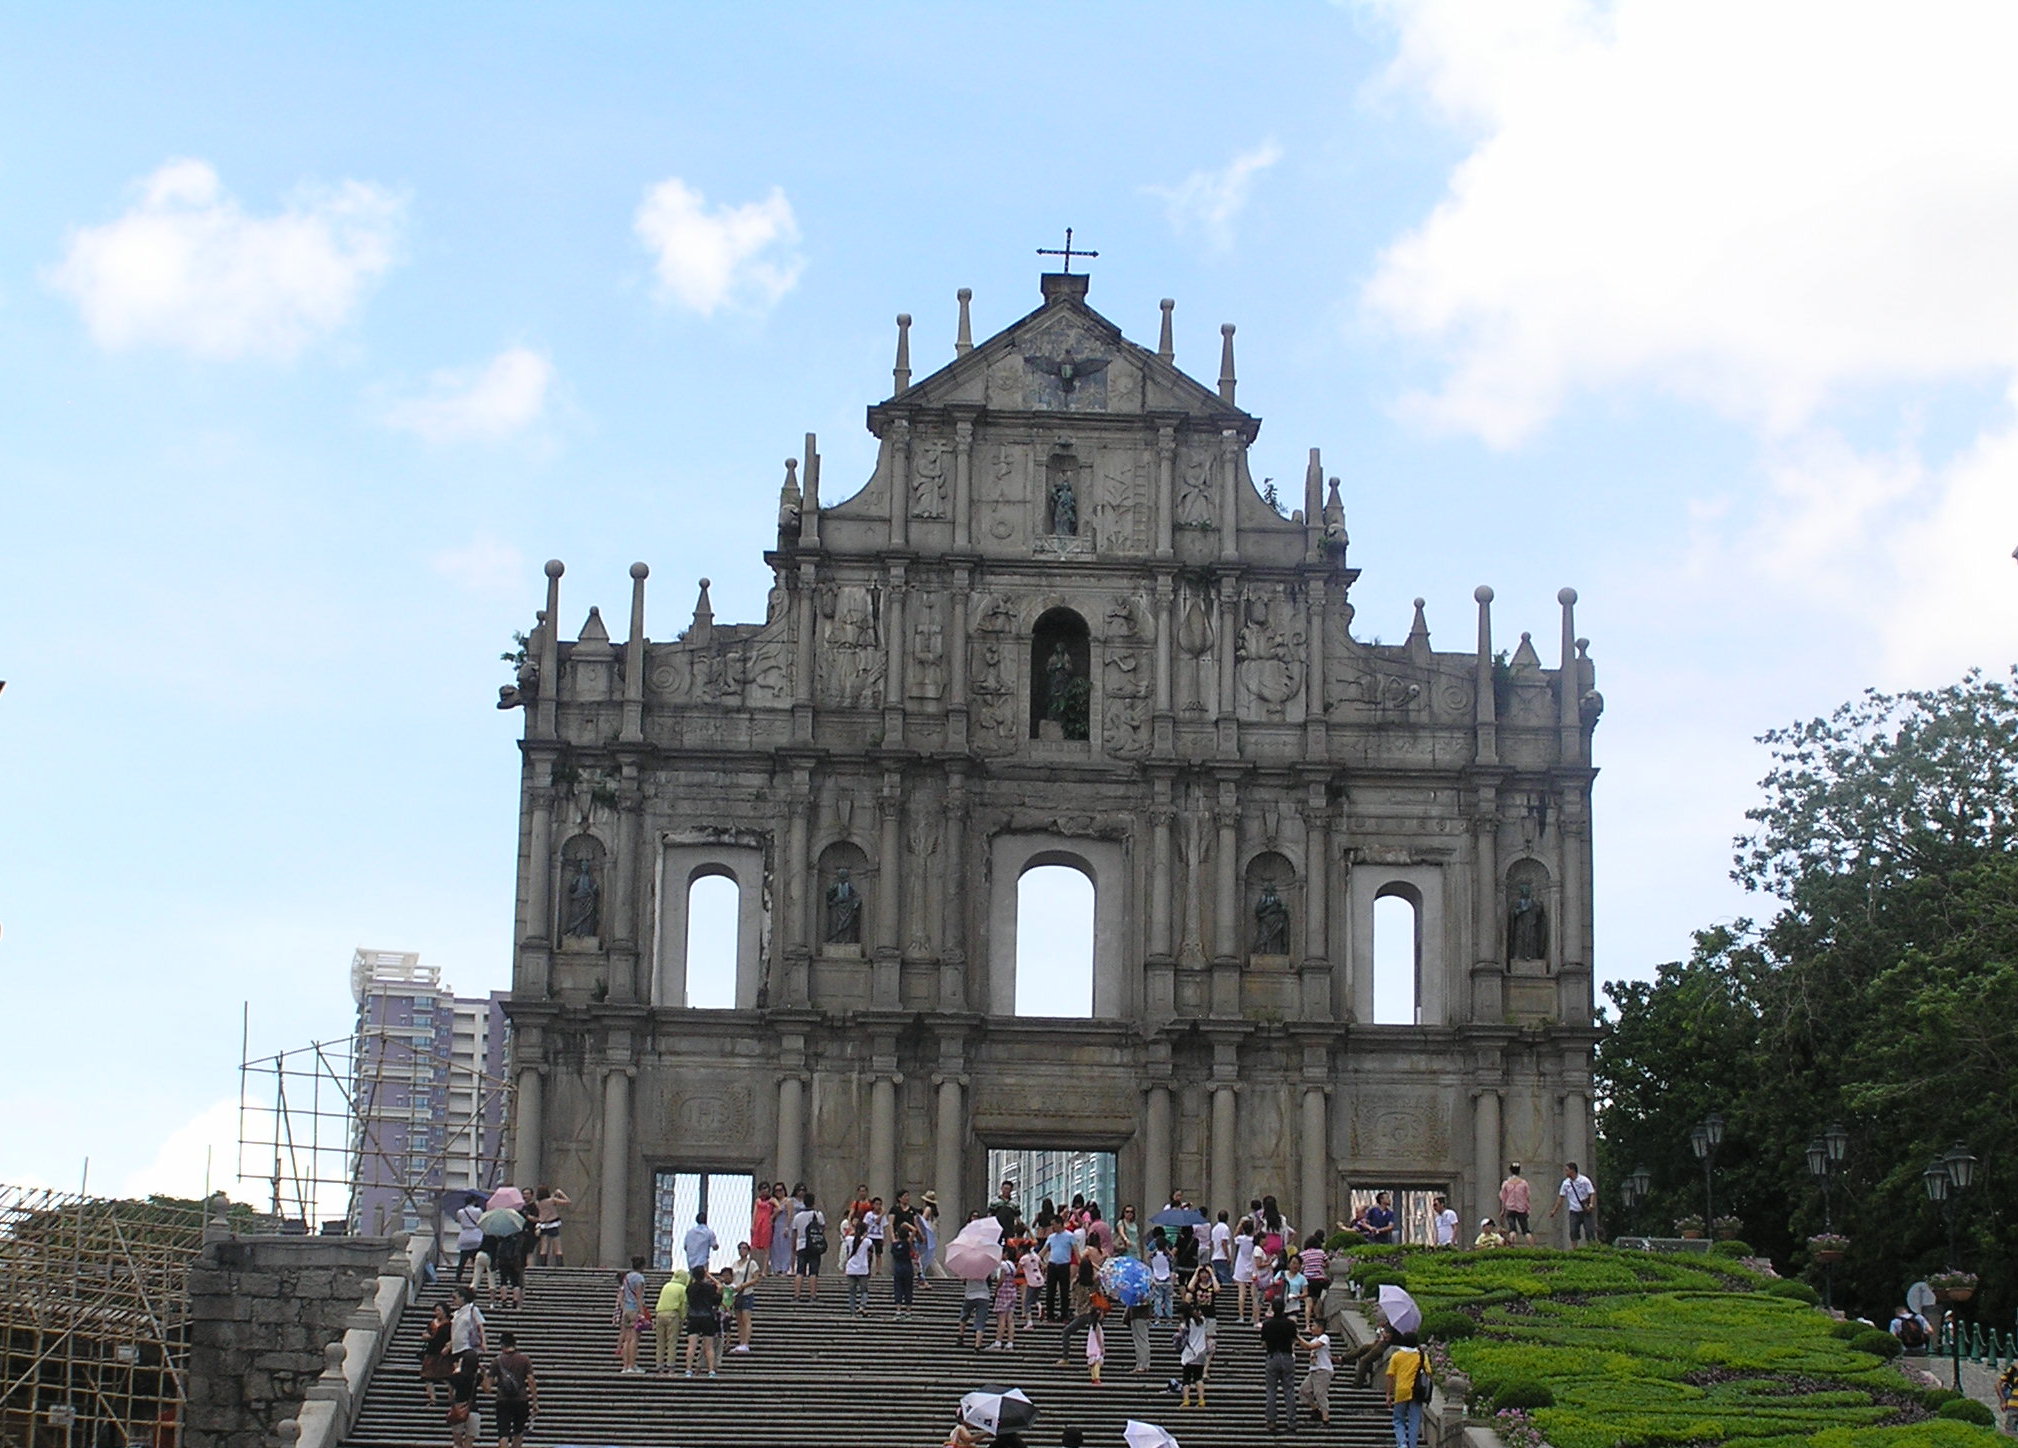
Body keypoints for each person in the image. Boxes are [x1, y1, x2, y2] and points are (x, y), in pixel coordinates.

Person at [488, 1330, 536, 1448]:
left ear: (502, 1345)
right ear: (515, 1344)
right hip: (521, 1399)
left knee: (503, 1433)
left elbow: (488, 1386)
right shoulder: (524, 1359)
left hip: (503, 1400)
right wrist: (535, 1401)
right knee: (518, 1432)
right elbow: (531, 1380)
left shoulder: (496, 1361)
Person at [1260, 1296, 1299, 1432]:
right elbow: (1294, 1340)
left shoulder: (1267, 1324)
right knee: (1289, 1390)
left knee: (1271, 1390)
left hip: (1272, 1356)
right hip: (1287, 1356)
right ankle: (1292, 1420)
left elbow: (1263, 1343)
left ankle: (1271, 1420)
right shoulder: (1290, 1324)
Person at [1385, 1330, 1428, 1448]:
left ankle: (1402, 1444)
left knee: (1398, 1420)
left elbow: (1390, 1375)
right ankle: (1412, 1446)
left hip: (1401, 1391)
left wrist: (1388, 1394)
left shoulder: (1397, 1356)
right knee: (1414, 1422)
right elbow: (1428, 1372)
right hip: (1417, 1392)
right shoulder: (1422, 1356)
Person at [684, 1267, 723, 1378]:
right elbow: (719, 1288)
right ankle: (711, 1371)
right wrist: (710, 1276)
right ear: (704, 1275)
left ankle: (688, 1370)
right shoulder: (709, 1287)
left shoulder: (690, 1288)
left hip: (693, 1317)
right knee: (709, 1346)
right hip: (707, 1317)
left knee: (691, 1345)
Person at [1549, 1162, 1598, 1246]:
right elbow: (1561, 1197)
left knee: (1589, 1231)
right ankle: (1574, 1250)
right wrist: (1554, 1210)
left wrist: (1591, 1205)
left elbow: (1592, 1192)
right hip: (1574, 1211)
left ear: (1572, 1170)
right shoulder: (1566, 1183)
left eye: (1567, 1170)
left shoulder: (1584, 1180)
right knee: (1573, 1232)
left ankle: (1592, 1249)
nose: (1565, 1172)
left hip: (1585, 1210)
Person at [612, 1257, 647, 1374]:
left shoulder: (626, 1277)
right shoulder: (639, 1278)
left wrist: (623, 1308)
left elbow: (622, 1295)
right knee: (634, 1339)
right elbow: (639, 1297)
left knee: (627, 1339)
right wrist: (642, 1313)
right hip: (634, 1310)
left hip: (626, 1310)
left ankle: (626, 1366)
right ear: (642, 1266)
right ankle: (632, 1365)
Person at [1298, 1317, 1335, 1426]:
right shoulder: (1314, 1339)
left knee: (1320, 1394)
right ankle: (1315, 1410)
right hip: (1314, 1370)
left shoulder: (1324, 1338)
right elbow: (1306, 1346)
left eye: (1313, 1326)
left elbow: (1310, 1347)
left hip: (1323, 1369)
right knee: (1304, 1390)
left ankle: (1325, 1417)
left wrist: (1298, 1336)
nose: (1311, 1328)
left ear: (1320, 1328)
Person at [792, 1190, 827, 1299]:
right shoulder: (818, 1214)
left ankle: (797, 1295)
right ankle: (813, 1295)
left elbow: (794, 1232)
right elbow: (823, 1228)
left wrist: (793, 1246)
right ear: (813, 1202)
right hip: (814, 1245)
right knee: (813, 1272)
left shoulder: (798, 1216)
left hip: (801, 1245)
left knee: (800, 1271)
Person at [417, 1302, 453, 1407]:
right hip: (431, 1351)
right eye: (436, 1310)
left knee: (447, 1376)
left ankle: (451, 1397)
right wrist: (426, 1336)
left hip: (444, 1353)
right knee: (427, 1376)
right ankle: (433, 1398)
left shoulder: (450, 1324)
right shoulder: (432, 1323)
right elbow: (425, 1333)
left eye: (439, 1310)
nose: (437, 1313)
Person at [653, 1268, 688, 1374]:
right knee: (672, 1341)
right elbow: (683, 1305)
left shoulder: (666, 1286)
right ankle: (670, 1366)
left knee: (660, 1342)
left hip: (660, 1313)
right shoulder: (682, 1288)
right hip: (673, 1314)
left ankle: (659, 1366)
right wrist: (682, 1318)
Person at [729, 1240, 761, 1352]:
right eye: (740, 1248)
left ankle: (746, 1343)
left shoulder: (752, 1264)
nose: (742, 1250)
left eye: (744, 1248)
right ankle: (741, 1342)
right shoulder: (734, 1264)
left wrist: (743, 1285)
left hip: (746, 1292)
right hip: (736, 1293)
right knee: (739, 1320)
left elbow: (756, 1278)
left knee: (746, 1318)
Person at [1177, 1302, 1210, 1409]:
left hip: (1189, 1352)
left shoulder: (1185, 1324)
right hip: (1201, 1352)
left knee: (1186, 1378)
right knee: (1198, 1377)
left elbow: (1182, 1338)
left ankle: (1186, 1399)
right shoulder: (1202, 1321)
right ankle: (1201, 1399)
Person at [958, 1255, 995, 1350]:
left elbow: (963, 1280)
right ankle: (977, 1346)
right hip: (983, 1295)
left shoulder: (967, 1266)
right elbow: (992, 1279)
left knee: (964, 1315)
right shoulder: (986, 1266)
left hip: (970, 1294)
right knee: (981, 1320)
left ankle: (961, 1337)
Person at [1044, 1219, 1077, 1322]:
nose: (1052, 1227)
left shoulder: (1069, 1236)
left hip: (1064, 1265)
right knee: (1050, 1291)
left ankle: (1064, 1314)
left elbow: (1076, 1251)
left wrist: (1080, 1264)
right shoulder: (1051, 1237)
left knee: (1064, 1291)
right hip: (1053, 1264)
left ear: (1060, 1224)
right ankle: (1050, 1314)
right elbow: (1045, 1249)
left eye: (1054, 1225)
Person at [842, 1215, 875, 1314]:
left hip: (851, 1269)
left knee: (852, 1292)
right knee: (864, 1291)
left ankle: (852, 1312)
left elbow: (846, 1238)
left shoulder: (849, 1239)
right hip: (862, 1269)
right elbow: (870, 1253)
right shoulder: (867, 1241)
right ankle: (862, 1306)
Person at [889, 1218, 920, 1316]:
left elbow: (892, 1234)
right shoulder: (907, 1243)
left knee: (898, 1288)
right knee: (908, 1289)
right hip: (907, 1267)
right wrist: (906, 1224)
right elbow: (915, 1230)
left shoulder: (894, 1244)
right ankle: (908, 1311)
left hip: (898, 1267)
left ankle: (898, 1310)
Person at [533, 1186, 570, 1267]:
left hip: (543, 1224)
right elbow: (567, 1201)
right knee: (557, 1246)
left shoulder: (537, 1203)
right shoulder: (552, 1200)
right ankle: (560, 1264)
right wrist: (560, 1193)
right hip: (553, 1223)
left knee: (544, 1246)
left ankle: (543, 1264)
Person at [1500, 1163, 1534, 1244]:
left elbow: (1503, 1197)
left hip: (1510, 1208)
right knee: (1526, 1230)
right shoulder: (1524, 1183)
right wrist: (1528, 1208)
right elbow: (1527, 1196)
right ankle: (1532, 1248)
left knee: (1512, 1230)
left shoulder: (1506, 1183)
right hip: (1522, 1208)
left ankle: (1512, 1247)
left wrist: (1502, 1210)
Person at [1232, 1218, 1258, 1322]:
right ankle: (1253, 1316)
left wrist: (1240, 1224)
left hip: (1241, 1266)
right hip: (1253, 1267)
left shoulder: (1241, 1239)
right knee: (1253, 1295)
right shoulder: (1255, 1240)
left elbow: (1234, 1236)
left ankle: (1241, 1316)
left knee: (1241, 1293)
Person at [769, 1183, 798, 1275]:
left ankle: (785, 1268)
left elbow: (790, 1215)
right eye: (776, 1190)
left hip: (784, 1225)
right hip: (776, 1226)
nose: (778, 1192)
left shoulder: (788, 1201)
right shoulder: (774, 1202)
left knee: (785, 1248)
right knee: (776, 1248)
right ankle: (776, 1268)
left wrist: (787, 1227)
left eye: (780, 1190)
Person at [452, 1201, 484, 1281]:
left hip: (465, 1236)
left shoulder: (460, 1211)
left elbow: (459, 1220)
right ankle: (476, 1278)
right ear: (474, 1201)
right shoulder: (478, 1210)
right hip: (476, 1236)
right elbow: (481, 1220)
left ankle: (458, 1277)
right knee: (476, 1259)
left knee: (462, 1259)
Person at [1018, 1235, 1045, 1328]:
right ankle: (1039, 1306)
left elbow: (1017, 1270)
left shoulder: (1023, 1259)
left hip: (1031, 1282)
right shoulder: (1036, 1256)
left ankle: (1029, 1322)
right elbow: (1043, 1266)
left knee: (1027, 1302)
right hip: (1040, 1280)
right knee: (1034, 1299)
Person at [751, 1183, 776, 1276]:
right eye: (762, 1189)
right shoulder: (758, 1200)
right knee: (756, 1247)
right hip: (759, 1224)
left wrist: (772, 1217)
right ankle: (756, 1269)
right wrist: (753, 1224)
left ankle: (764, 1270)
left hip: (766, 1224)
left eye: (765, 1188)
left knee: (766, 1247)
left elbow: (779, 1208)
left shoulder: (772, 1200)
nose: (764, 1190)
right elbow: (755, 1212)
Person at [1148, 1230, 1175, 1319]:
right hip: (1167, 1278)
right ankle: (1169, 1317)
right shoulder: (1167, 1255)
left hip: (1157, 1278)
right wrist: (1167, 1249)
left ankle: (1158, 1317)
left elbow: (1149, 1258)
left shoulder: (1154, 1255)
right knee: (1168, 1299)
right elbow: (1172, 1258)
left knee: (1158, 1299)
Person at [684, 1210, 719, 1276]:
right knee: (702, 1277)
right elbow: (715, 1247)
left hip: (691, 1261)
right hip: (702, 1261)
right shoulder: (709, 1232)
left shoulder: (689, 1232)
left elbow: (685, 1247)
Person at [1084, 1304, 1106, 1385]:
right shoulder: (1097, 1326)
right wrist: (1102, 1347)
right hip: (1096, 1346)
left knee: (1093, 1363)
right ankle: (1096, 1377)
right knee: (1097, 1363)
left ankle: (1093, 1377)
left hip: (1092, 1346)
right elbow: (1098, 1337)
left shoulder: (1092, 1325)